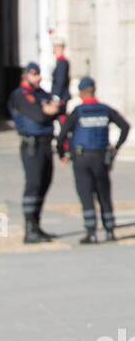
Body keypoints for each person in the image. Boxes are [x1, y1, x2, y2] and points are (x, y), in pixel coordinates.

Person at [57, 76, 130, 243]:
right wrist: (116, 147)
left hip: (82, 158)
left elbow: (62, 136)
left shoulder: (78, 112)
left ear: (81, 93)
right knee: (104, 194)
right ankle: (110, 231)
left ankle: (91, 232)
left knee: (86, 194)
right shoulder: (105, 109)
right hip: (101, 157)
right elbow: (125, 126)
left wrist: (62, 154)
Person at [6, 60, 60, 243]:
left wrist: (50, 109)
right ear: (25, 76)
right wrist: (48, 110)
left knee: (44, 184)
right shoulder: (21, 95)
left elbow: (56, 108)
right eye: (34, 74)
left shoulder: (40, 93)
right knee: (34, 185)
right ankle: (29, 229)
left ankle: (36, 225)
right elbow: (39, 115)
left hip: (45, 144)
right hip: (32, 146)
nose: (38, 77)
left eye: (38, 74)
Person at [51, 38, 70, 122]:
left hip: (61, 96)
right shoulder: (60, 61)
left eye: (55, 47)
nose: (53, 49)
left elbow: (60, 81)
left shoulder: (62, 62)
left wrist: (56, 96)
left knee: (61, 116)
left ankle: (65, 133)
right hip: (61, 95)